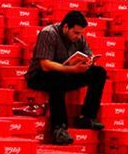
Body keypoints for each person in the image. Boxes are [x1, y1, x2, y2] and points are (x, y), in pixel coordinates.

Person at [26, 10, 107, 146]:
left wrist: (89, 62)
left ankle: (87, 117)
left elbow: (88, 54)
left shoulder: (79, 38)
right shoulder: (48, 33)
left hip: (66, 73)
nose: (79, 36)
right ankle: (59, 128)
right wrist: (72, 69)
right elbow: (45, 65)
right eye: (76, 33)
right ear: (65, 27)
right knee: (56, 78)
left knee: (99, 73)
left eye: (81, 33)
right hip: (40, 76)